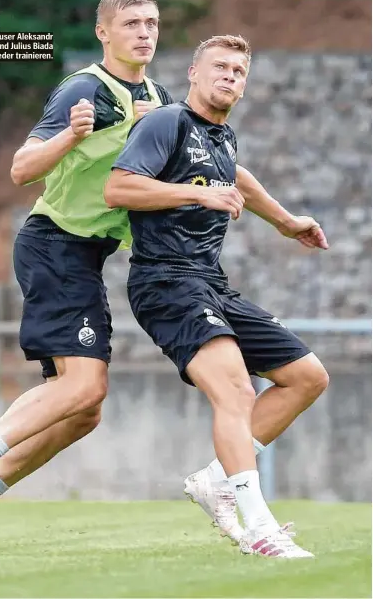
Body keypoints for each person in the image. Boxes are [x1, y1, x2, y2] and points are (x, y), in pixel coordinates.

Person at [0, 3, 324, 555]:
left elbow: (226, 169)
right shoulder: (82, 90)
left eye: (153, 24)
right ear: (102, 33)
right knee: (84, 385)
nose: (145, 33)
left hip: (92, 255)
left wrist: (285, 221)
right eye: (132, 23)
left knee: (85, 409)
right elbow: (22, 169)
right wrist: (71, 135)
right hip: (55, 242)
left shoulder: (160, 106)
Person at [104, 34, 329, 559]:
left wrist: (287, 222)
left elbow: (238, 181)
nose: (230, 77)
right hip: (165, 281)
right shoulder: (166, 123)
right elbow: (119, 188)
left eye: (239, 72)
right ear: (194, 74)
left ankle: (216, 480)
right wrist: (196, 192)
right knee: (236, 391)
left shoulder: (222, 139)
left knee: (306, 377)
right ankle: (257, 527)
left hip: (211, 283)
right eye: (220, 67)